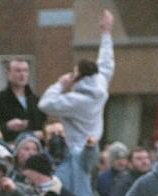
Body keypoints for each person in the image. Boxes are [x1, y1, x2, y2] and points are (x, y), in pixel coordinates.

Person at [38, 9, 114, 149]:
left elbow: (44, 104)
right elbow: (106, 62)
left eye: (74, 72)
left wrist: (60, 85)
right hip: (93, 147)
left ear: (79, 76)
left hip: (76, 150)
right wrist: (106, 33)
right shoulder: (100, 85)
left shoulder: (75, 100)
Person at [0, 59, 46, 143]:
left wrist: (42, 133)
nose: (22, 74)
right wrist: (7, 126)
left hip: (34, 150)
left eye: (25, 71)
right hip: (8, 149)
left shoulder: (36, 101)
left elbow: (45, 126)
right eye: (18, 71)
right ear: (8, 73)